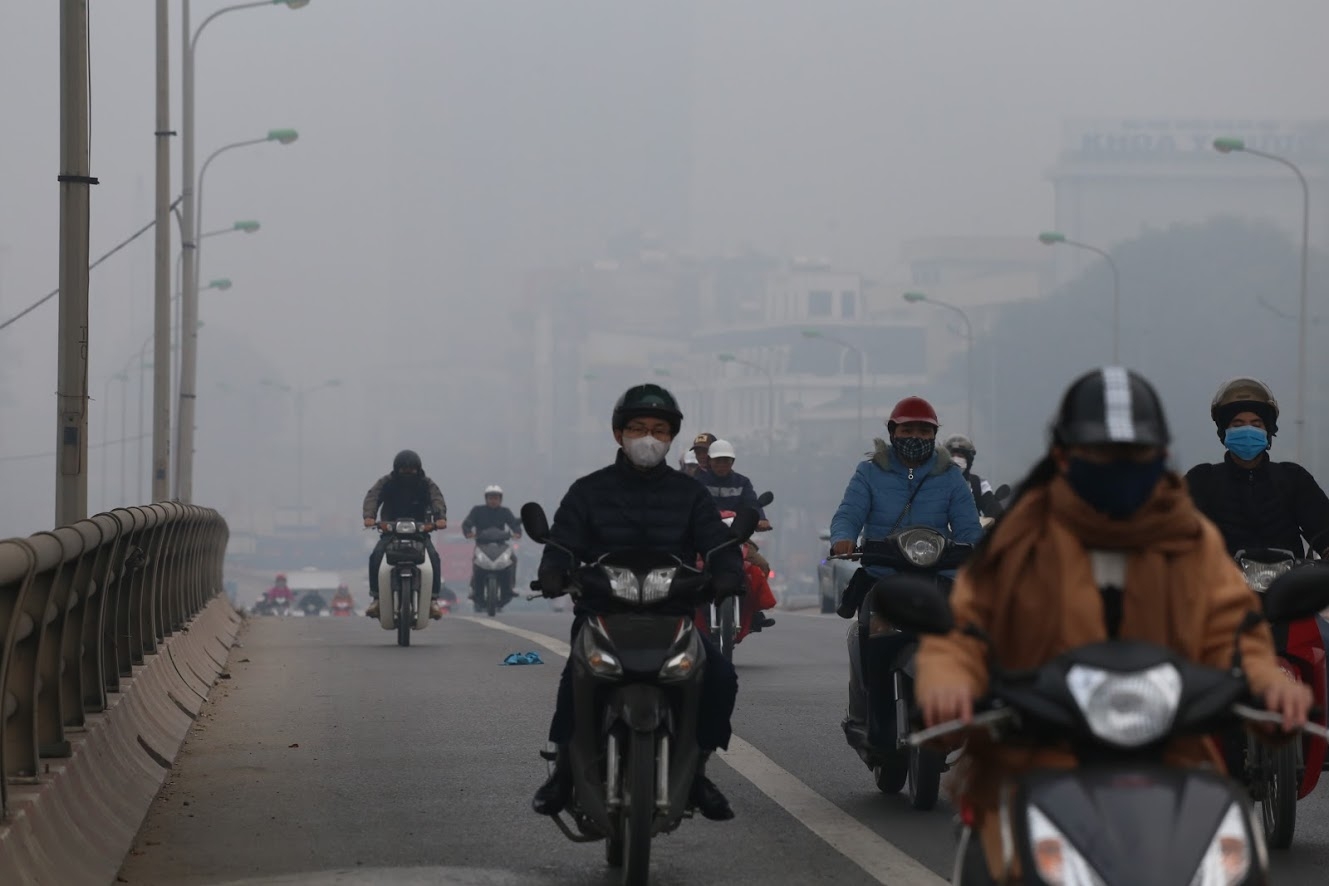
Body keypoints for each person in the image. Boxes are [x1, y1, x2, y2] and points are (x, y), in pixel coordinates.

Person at [915, 367, 1310, 883]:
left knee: (1232, 854)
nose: (1120, 468)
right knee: (992, 853)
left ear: (1159, 457)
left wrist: (1265, 683)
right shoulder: (1023, 538)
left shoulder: (1188, 537)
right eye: (1102, 454)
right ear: (1064, 457)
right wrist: (948, 683)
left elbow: (1234, 624)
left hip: (1173, 753)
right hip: (1043, 747)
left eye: (1136, 454)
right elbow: (965, 630)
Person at [531, 384, 744, 821]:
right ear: (619, 434)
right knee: (576, 678)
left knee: (720, 677)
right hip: (602, 612)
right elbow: (564, 541)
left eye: (659, 430)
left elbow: (718, 543)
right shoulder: (588, 491)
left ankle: (698, 769)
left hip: (673, 615)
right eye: (638, 428)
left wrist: (727, 575)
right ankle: (565, 772)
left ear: (670, 438)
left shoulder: (691, 495)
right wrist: (554, 569)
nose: (648, 438)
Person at [828, 396, 983, 737]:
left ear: (935, 435)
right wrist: (843, 537)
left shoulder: (951, 478)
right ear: (893, 432)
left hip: (939, 578)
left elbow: (969, 528)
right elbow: (850, 512)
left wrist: (979, 550)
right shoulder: (869, 472)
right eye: (908, 428)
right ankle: (874, 719)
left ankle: (959, 712)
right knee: (874, 641)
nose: (916, 436)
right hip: (884, 576)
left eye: (924, 430)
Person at [1185, 377, 1329, 559]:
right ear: (1224, 431)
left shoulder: (1293, 478)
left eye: (1256, 424)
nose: (1247, 430)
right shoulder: (1202, 480)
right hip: (1219, 584)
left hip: (1288, 585)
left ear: (1268, 430)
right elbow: (1176, 532)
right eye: (1237, 424)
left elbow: (1324, 529)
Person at [696, 439, 775, 629]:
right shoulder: (698, 482)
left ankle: (753, 610)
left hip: (737, 537)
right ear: (709, 461)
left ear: (733, 462)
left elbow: (752, 504)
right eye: (718, 461)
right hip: (704, 538)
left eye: (727, 461)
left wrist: (761, 520)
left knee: (762, 566)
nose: (722, 465)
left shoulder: (742, 483)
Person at [361, 450, 448, 620]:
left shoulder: (426, 484)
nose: (408, 474)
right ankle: (376, 599)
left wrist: (440, 518)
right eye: (404, 470)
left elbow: (437, 499)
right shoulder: (387, 482)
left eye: (411, 470)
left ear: (418, 469)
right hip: (391, 532)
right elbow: (373, 497)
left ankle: (433, 600)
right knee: (376, 555)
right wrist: (369, 516)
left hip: (420, 532)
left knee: (434, 557)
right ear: (396, 469)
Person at [461, 485, 524, 604]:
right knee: (477, 563)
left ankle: (510, 587)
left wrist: (517, 533)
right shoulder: (477, 511)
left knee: (513, 559)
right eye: (491, 498)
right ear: (486, 499)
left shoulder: (505, 511)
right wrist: (468, 532)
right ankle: (475, 589)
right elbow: (467, 523)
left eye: (496, 498)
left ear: (500, 499)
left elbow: (514, 524)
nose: (493, 500)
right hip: (482, 545)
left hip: (501, 546)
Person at [942, 434, 1004, 520]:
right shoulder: (934, 482)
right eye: (952, 455)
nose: (956, 459)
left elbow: (991, 505)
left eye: (960, 456)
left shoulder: (978, 483)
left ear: (969, 460)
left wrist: (995, 512)